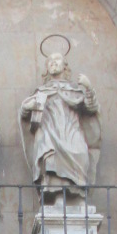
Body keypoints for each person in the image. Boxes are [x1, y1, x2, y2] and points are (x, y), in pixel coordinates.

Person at [19, 51, 101, 195]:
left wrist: (88, 88)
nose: (53, 62)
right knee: (50, 155)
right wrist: (27, 107)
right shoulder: (41, 91)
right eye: (49, 61)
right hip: (49, 133)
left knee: (80, 151)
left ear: (65, 66)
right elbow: (25, 113)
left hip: (71, 131)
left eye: (57, 59)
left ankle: (77, 194)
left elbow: (91, 107)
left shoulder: (75, 90)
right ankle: (55, 194)